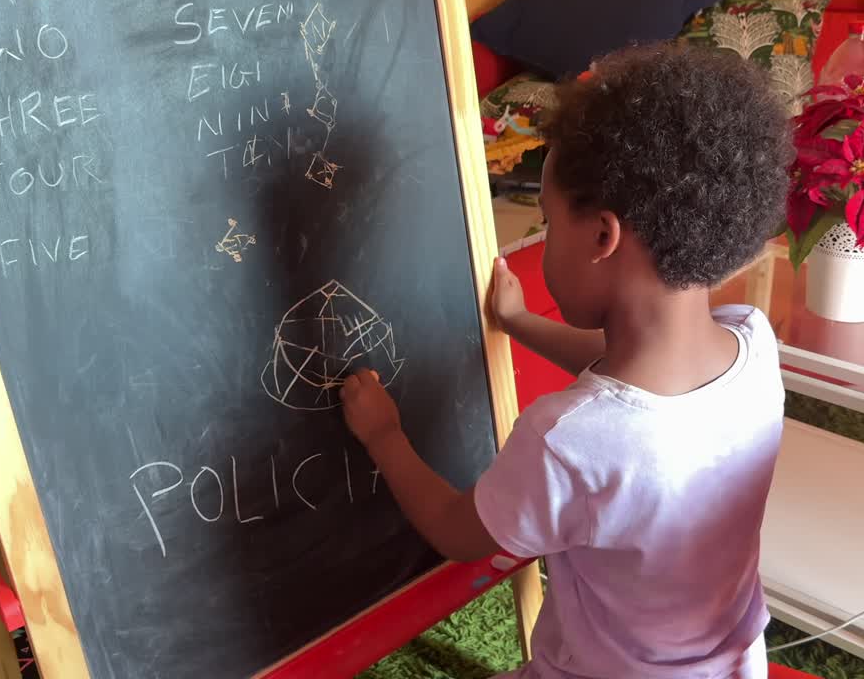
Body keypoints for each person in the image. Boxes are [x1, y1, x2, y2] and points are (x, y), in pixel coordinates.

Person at [339, 40, 795, 679]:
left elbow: (456, 531)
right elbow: (626, 371)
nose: (545, 237)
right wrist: (521, 323)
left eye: (549, 222)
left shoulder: (571, 441)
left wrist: (383, 433)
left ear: (603, 237)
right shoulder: (752, 342)